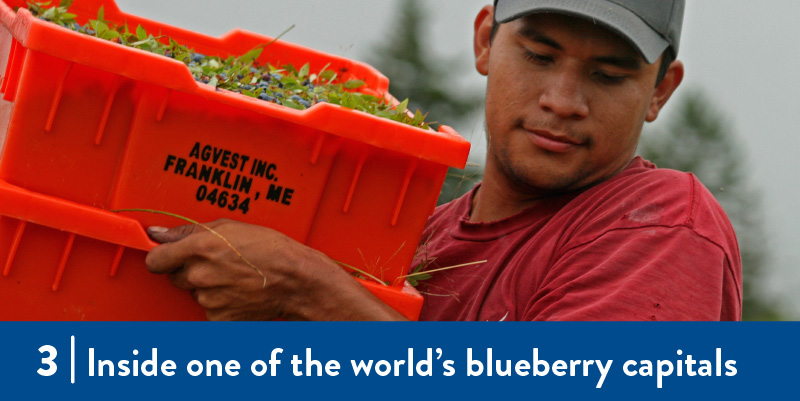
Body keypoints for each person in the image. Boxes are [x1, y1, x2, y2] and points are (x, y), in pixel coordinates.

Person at [145, 0, 742, 321]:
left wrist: (311, 296)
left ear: (661, 91)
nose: (562, 101)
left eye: (608, 76)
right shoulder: (412, 236)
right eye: (538, 56)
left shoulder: (660, 227)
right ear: (485, 41)